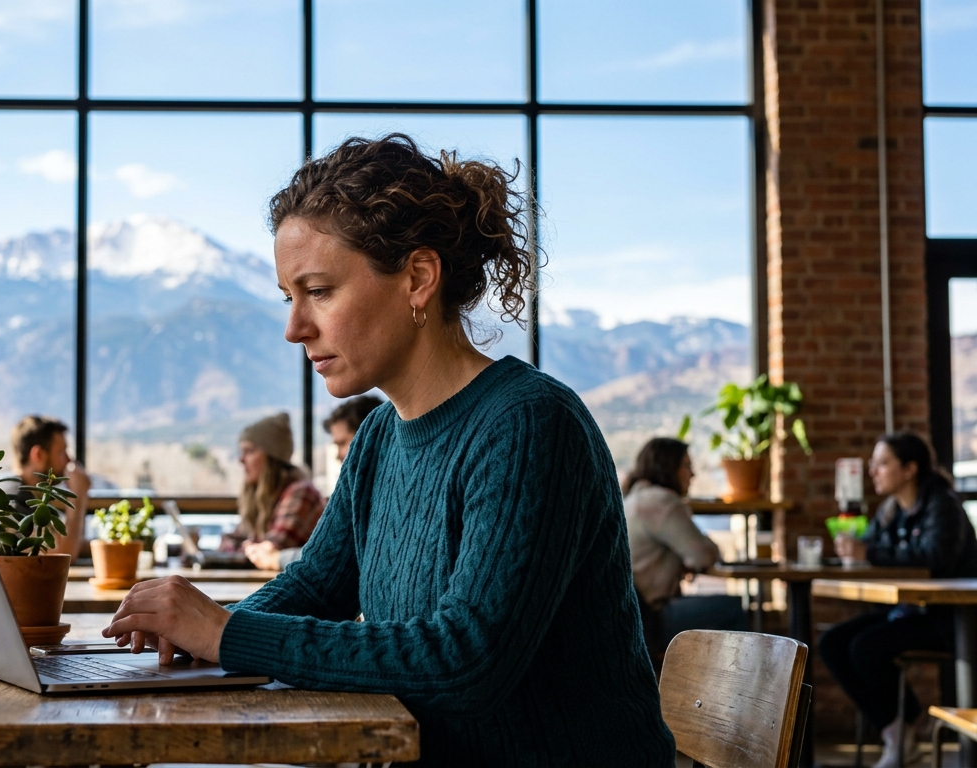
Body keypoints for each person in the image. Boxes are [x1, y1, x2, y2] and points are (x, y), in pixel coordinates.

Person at [102, 134, 675, 766]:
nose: (294, 328)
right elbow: (315, 586)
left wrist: (227, 633)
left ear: (418, 279)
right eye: (288, 297)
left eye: (318, 291)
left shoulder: (530, 424)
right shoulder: (378, 438)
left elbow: (466, 660)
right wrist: (195, 631)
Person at [820, 432, 977, 768]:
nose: (873, 471)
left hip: (949, 618)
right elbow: (871, 547)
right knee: (832, 642)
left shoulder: (942, 504)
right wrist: (854, 546)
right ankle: (900, 732)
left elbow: (936, 556)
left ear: (909, 469)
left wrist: (869, 552)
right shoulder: (891, 509)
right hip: (908, 612)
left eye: (882, 463)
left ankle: (907, 732)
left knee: (866, 647)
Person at [623, 437, 747, 657]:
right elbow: (704, 555)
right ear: (669, 467)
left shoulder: (633, 498)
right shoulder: (661, 501)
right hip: (648, 620)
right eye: (687, 466)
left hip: (628, 616)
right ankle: (741, 689)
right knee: (733, 608)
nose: (693, 474)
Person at [244, 397, 381, 570]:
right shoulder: (358, 495)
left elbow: (331, 553)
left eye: (342, 443)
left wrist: (277, 558)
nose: (337, 455)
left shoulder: (301, 493)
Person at [228, 413, 325, 572]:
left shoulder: (301, 493)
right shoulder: (262, 497)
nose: (241, 460)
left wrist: (245, 548)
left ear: (272, 457)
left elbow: (273, 548)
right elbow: (234, 540)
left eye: (249, 451)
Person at [1, 415, 90, 559]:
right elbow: (61, 553)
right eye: (61, 452)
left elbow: (68, 544)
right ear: (38, 455)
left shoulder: (31, 495)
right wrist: (78, 496)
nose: (69, 460)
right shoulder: (13, 499)